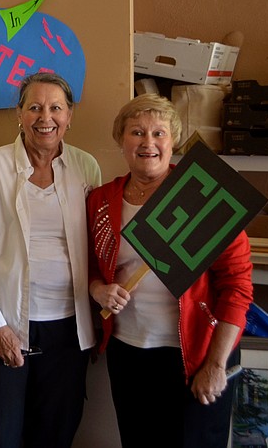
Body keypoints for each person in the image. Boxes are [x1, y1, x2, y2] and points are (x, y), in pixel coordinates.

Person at [87, 93, 252, 448]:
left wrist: (215, 365)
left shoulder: (205, 197)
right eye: (136, 133)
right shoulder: (101, 200)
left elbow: (237, 286)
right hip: (128, 353)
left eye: (159, 133)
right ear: (121, 141)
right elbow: (88, 266)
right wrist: (97, 289)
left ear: (173, 141)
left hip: (194, 356)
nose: (148, 143)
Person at [0, 71, 101, 448]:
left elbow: (99, 245)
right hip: (1, 325)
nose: (45, 117)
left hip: (67, 331)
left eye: (56, 108)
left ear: (70, 116)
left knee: (55, 433)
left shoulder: (86, 168)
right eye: (34, 107)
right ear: (18, 114)